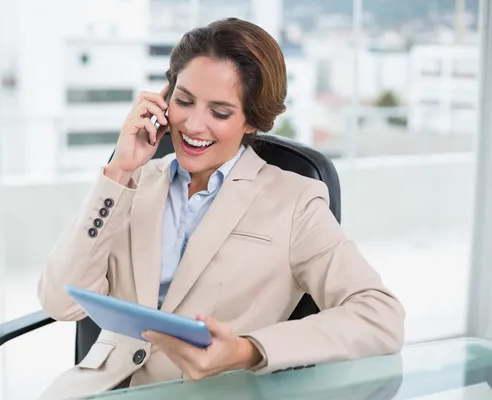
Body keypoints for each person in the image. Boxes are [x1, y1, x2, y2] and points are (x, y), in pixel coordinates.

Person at [37, 18, 405, 399]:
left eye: (221, 112)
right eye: (183, 101)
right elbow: (61, 302)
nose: (194, 124)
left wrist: (249, 349)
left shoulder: (294, 202)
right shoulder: (134, 183)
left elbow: (380, 317)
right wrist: (119, 170)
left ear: (252, 120)